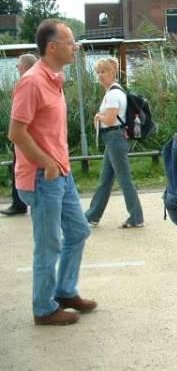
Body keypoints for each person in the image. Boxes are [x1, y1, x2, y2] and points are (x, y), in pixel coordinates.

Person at [8, 19, 96, 326]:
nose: (75, 46)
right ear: (52, 47)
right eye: (70, 41)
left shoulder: (54, 79)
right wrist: (46, 163)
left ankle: (65, 291)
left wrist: (58, 163)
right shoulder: (31, 82)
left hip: (61, 173)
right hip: (41, 177)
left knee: (79, 231)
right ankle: (43, 308)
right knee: (49, 244)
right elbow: (16, 133)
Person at [85, 57, 144, 228]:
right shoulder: (116, 92)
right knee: (105, 179)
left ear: (113, 72)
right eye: (98, 72)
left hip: (114, 138)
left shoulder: (113, 94)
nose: (100, 76)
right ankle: (92, 215)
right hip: (113, 139)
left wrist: (98, 115)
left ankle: (136, 217)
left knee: (124, 179)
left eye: (103, 72)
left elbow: (110, 119)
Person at [1, 53, 37, 216]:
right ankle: (21, 202)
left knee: (19, 167)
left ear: (24, 67)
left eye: (18, 66)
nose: (17, 68)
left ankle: (19, 203)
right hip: (31, 136)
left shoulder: (26, 83)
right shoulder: (37, 81)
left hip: (25, 136)